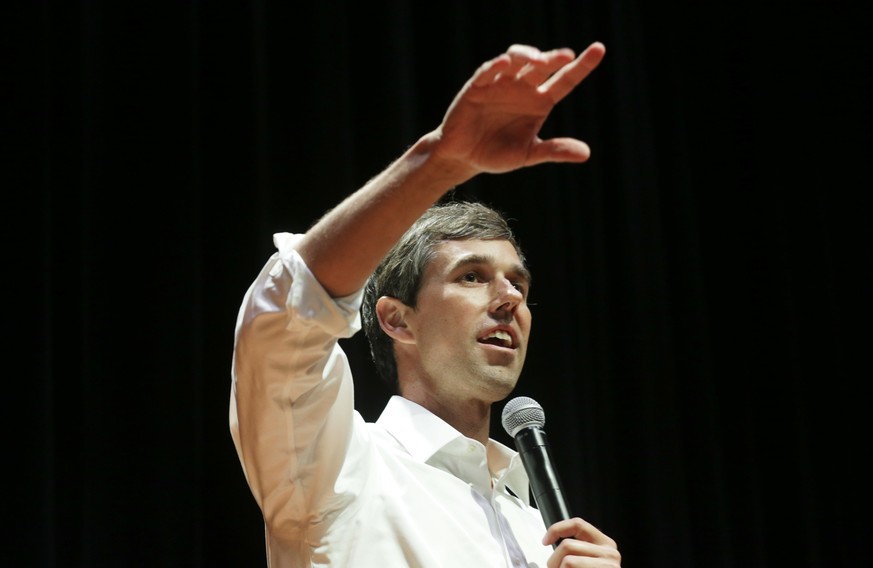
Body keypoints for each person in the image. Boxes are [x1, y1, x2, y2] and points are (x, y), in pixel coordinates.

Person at [229, 41, 621, 567]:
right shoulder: (340, 467)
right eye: (473, 277)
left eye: (518, 286)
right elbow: (284, 321)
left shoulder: (539, 530)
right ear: (397, 319)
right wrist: (439, 163)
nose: (509, 299)